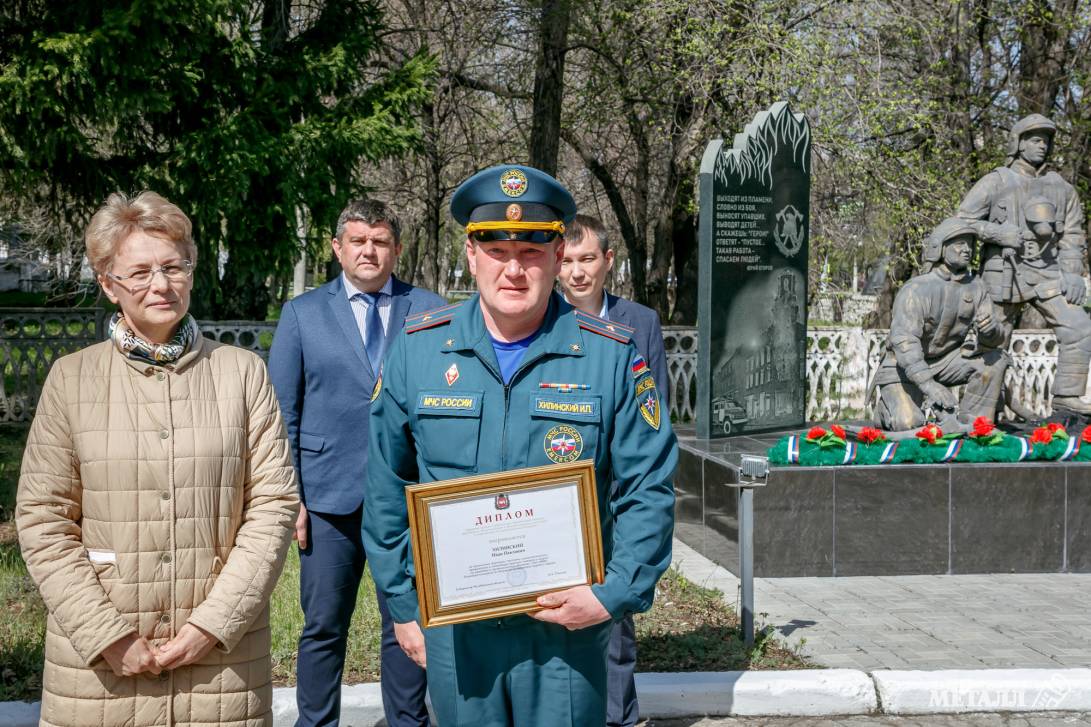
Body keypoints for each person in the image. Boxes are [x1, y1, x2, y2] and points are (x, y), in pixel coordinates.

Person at [363, 164, 678, 726]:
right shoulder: (418, 351)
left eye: (532, 250)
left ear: (558, 257)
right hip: (458, 634)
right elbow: (386, 484)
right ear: (470, 255)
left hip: (566, 634)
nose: (513, 268)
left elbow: (648, 487)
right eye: (496, 248)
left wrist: (611, 595)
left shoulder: (611, 358)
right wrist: (404, 607)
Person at [16, 191, 299, 727]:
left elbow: (273, 507)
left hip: (221, 665)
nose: (161, 285)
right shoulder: (71, 380)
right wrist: (107, 634)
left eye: (173, 266)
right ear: (108, 284)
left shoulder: (241, 373)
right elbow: (43, 519)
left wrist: (212, 624)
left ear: (191, 272)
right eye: (139, 272)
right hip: (100, 670)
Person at [268, 199, 443, 727]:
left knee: (407, 625)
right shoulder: (303, 314)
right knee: (323, 625)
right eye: (359, 241)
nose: (370, 250)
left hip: (409, 499)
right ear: (337, 247)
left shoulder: (432, 309)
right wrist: (291, 497)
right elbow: (283, 415)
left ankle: (407, 722)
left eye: (381, 241)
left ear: (396, 248)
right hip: (327, 500)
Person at [557, 213, 667, 727]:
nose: (578, 273)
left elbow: (653, 410)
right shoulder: (546, 318)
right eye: (569, 261)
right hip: (561, 495)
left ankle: (619, 715)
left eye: (588, 260)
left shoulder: (639, 322)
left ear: (608, 261)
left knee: (615, 612)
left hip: (618, 493)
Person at [957, 113, 1091, 415]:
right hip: (1003, 274)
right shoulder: (996, 181)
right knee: (992, 340)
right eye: (1034, 140)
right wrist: (998, 233)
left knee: (1079, 327)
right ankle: (978, 413)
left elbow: (1072, 235)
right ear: (1018, 144)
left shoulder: (1061, 188)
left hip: (1047, 272)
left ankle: (1067, 399)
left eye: (1046, 141)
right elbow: (961, 222)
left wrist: (1071, 274)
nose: (1042, 146)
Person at [875, 217, 1010, 430]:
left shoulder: (977, 287)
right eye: (959, 244)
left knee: (996, 359)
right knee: (909, 424)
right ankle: (886, 409)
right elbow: (905, 343)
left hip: (946, 362)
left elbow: (994, 340)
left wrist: (991, 331)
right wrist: (929, 385)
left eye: (970, 244)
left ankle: (975, 425)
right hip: (902, 367)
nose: (967, 250)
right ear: (940, 248)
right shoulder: (917, 289)